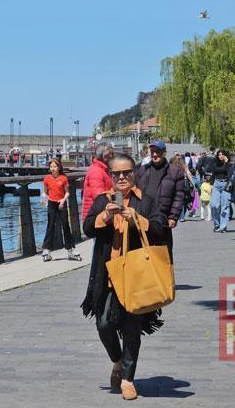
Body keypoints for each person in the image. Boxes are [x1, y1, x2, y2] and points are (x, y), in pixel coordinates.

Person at [82, 153, 167, 401]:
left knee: (132, 328)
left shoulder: (147, 201)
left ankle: (128, 379)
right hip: (107, 274)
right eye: (116, 174)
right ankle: (117, 361)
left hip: (137, 276)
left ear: (134, 174)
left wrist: (138, 220)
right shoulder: (102, 201)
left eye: (126, 173)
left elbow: (161, 229)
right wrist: (105, 216)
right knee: (104, 323)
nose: (121, 178)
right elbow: (87, 228)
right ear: (110, 176)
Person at [136, 141, 184, 252]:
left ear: (164, 153)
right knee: (144, 254)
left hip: (163, 219)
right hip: (143, 218)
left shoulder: (175, 172)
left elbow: (179, 196)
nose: (154, 155)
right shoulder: (142, 170)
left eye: (157, 152)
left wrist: (173, 216)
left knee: (163, 256)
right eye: (152, 152)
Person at [40, 158, 80, 261]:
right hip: (51, 203)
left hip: (61, 203)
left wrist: (63, 200)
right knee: (50, 225)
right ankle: (47, 250)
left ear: (59, 167)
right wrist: (43, 199)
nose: (52, 169)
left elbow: (67, 192)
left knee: (65, 226)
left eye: (54, 166)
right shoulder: (47, 178)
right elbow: (45, 192)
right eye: (51, 167)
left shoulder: (63, 178)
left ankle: (70, 249)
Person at [81, 143, 115, 223]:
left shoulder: (103, 169)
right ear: (105, 156)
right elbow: (99, 196)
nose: (113, 156)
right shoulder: (96, 171)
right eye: (111, 153)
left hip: (101, 213)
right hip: (95, 215)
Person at [210, 150, 234, 232]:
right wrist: (210, 185)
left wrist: (227, 163)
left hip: (226, 185)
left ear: (225, 155)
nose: (220, 156)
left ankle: (223, 227)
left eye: (222, 154)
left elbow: (229, 174)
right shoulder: (215, 164)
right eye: (219, 154)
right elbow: (213, 175)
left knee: (225, 207)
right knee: (214, 205)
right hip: (216, 184)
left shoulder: (229, 164)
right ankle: (217, 224)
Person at [169, 154, 195, 222]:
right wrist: (193, 184)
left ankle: (181, 216)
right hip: (184, 185)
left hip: (175, 184)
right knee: (184, 201)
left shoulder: (172, 166)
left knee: (178, 200)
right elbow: (189, 174)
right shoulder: (184, 166)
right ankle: (182, 216)